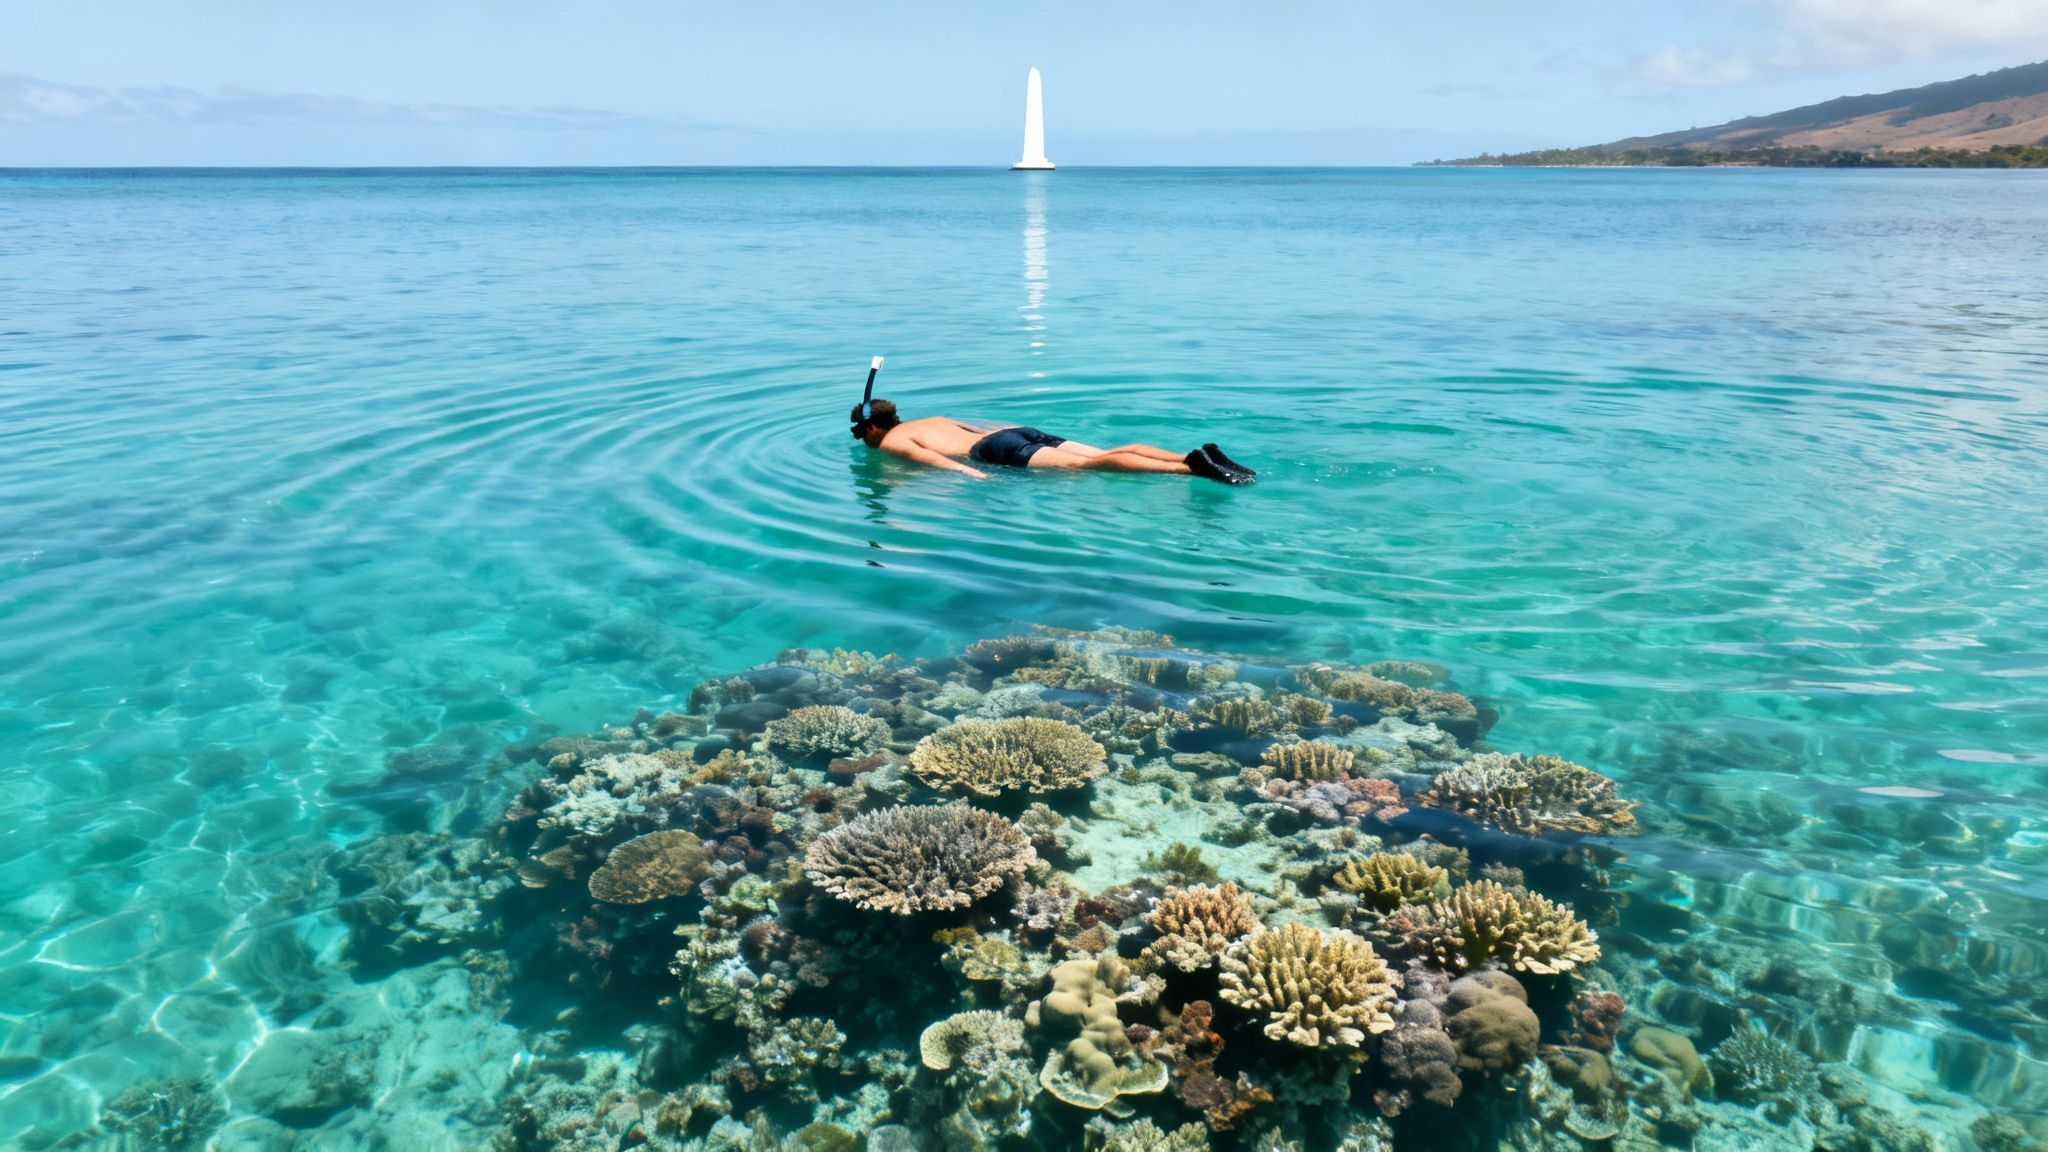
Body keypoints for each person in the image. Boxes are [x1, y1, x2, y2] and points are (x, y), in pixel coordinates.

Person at [849, 398, 1255, 484]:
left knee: (1088, 467)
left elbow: (934, 461)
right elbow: (979, 425)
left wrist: (972, 475)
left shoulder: (891, 442)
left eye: (859, 433)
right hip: (1015, 432)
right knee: (1101, 453)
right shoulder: (932, 417)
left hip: (993, 450)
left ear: (871, 429)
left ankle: (1191, 471)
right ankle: (1190, 457)